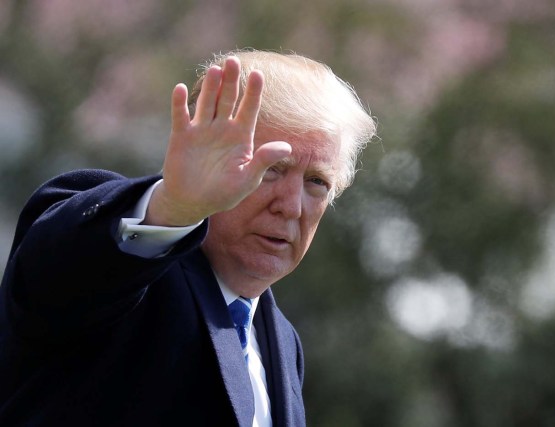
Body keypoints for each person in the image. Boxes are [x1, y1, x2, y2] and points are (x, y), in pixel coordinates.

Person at [0, 49, 376, 426]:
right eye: (272, 169)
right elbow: (55, 277)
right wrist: (174, 206)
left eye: (317, 182)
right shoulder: (127, 264)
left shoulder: (283, 343)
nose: (291, 207)